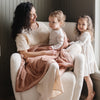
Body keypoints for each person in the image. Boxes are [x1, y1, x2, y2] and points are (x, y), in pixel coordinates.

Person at [11, 2, 64, 100]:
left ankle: (45, 89)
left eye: (35, 13)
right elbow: (25, 54)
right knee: (53, 65)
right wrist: (45, 53)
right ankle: (45, 97)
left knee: (75, 48)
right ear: (24, 16)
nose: (36, 16)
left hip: (50, 51)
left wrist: (62, 39)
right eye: (32, 14)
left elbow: (54, 37)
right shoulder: (21, 34)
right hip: (34, 58)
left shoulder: (42, 25)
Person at [75, 15, 99, 100]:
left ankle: (91, 93)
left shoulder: (86, 34)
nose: (80, 26)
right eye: (79, 24)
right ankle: (86, 93)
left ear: (88, 26)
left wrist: (72, 44)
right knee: (84, 76)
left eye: (83, 24)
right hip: (83, 57)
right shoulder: (81, 34)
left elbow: (80, 43)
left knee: (86, 76)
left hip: (86, 57)